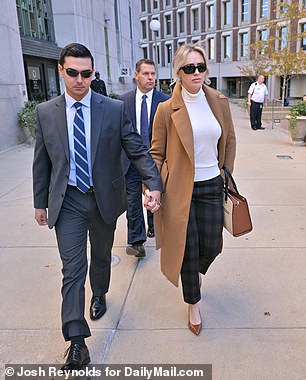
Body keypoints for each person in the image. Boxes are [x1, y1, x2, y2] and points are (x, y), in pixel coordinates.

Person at [32, 43, 162, 370]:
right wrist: (39, 203)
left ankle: (100, 292)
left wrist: (154, 183)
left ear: (93, 73)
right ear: (61, 71)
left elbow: (136, 149)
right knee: (72, 269)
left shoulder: (114, 109)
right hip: (68, 201)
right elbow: (42, 162)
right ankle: (77, 341)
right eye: (73, 73)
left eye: (86, 73)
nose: (80, 80)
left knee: (101, 256)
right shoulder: (46, 112)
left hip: (104, 198)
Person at [149, 43, 236, 336]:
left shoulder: (218, 101)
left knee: (212, 245)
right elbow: (156, 153)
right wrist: (155, 187)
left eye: (201, 67)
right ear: (179, 73)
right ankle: (193, 303)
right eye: (190, 68)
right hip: (180, 190)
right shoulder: (166, 109)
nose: (196, 72)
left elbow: (230, 140)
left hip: (213, 184)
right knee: (187, 249)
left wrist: (226, 171)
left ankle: (197, 276)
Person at [120, 59, 169, 258]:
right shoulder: (123, 102)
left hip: (155, 160)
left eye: (153, 74)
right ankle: (136, 241)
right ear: (136, 75)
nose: (150, 78)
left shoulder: (165, 101)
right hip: (131, 160)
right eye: (146, 74)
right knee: (132, 202)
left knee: (154, 196)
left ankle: (154, 226)